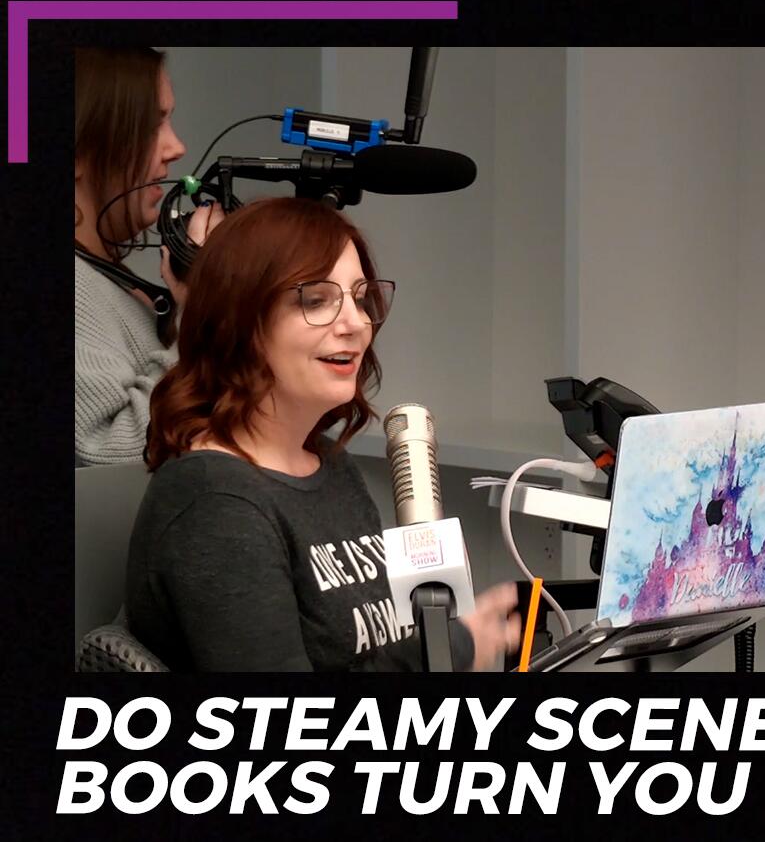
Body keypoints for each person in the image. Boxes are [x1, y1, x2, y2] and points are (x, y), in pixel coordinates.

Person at [125, 197, 522, 671]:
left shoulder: (331, 465)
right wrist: (451, 651)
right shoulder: (213, 502)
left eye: (359, 297)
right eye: (316, 300)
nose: (356, 323)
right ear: (240, 321)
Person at [74, 47, 221, 466]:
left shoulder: (106, 280)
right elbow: (108, 451)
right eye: (152, 125)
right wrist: (202, 309)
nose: (177, 147)